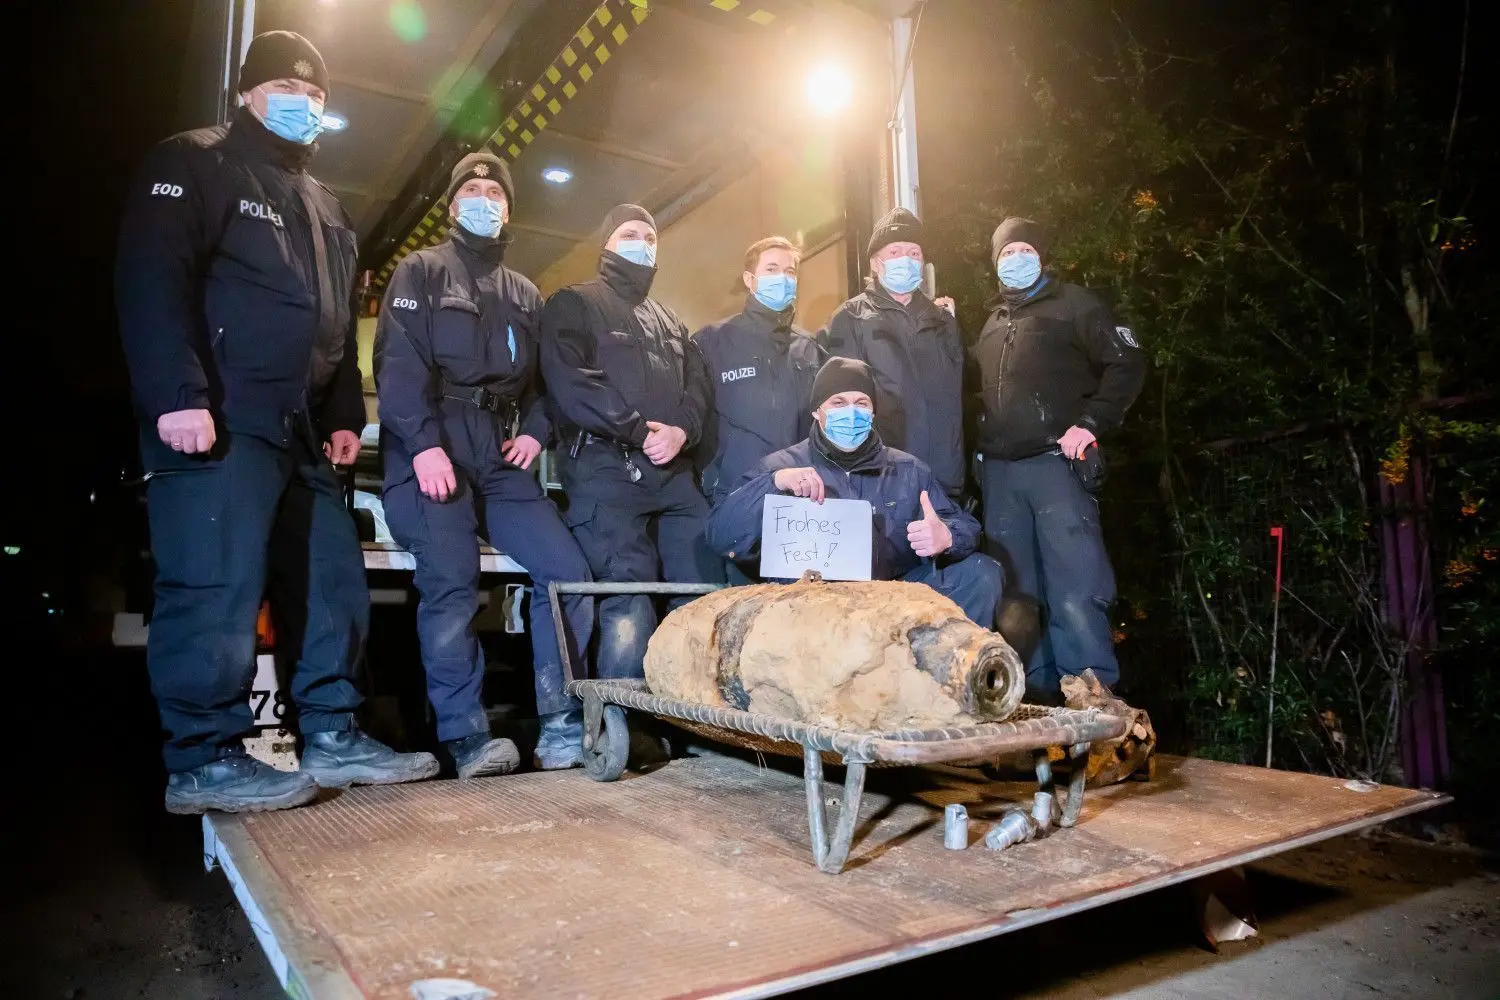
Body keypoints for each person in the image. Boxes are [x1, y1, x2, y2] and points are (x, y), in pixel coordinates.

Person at [116, 30, 438, 814]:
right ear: (247, 92)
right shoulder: (193, 161)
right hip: (219, 419)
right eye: (289, 90)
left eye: (319, 96)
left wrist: (340, 414)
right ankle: (203, 757)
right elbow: (152, 280)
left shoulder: (325, 207)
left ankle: (332, 730)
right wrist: (176, 396)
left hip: (298, 431)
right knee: (214, 586)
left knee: (333, 583)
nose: (306, 105)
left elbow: (333, 323)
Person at [374, 152, 596, 775]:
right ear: (452, 207)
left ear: (507, 210)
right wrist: (421, 444)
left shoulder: (525, 293)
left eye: (494, 193)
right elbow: (397, 365)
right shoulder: (421, 271)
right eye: (471, 190)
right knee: (451, 581)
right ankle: (466, 735)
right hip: (432, 446)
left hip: (499, 458)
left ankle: (559, 720)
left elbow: (552, 382)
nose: (483, 200)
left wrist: (536, 431)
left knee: (567, 572)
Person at [539, 205, 725, 679]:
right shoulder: (573, 304)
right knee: (628, 599)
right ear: (607, 244)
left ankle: (693, 719)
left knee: (700, 594)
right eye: (629, 233)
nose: (641, 242)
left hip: (673, 476)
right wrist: (640, 431)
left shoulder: (670, 321)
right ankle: (622, 724)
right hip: (606, 472)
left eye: (649, 235)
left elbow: (698, 386)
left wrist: (682, 430)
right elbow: (573, 384)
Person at [970, 217, 1146, 701]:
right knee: (1017, 599)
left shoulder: (1077, 306)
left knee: (1075, 586)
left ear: (1042, 256)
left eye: (1024, 249)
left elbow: (1127, 363)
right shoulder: (992, 321)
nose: (1015, 259)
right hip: (1002, 476)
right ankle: (1033, 705)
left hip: (1056, 467)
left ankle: (1092, 704)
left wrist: (1090, 424)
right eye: (1006, 253)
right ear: (995, 263)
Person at [705, 358, 1001, 626]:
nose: (851, 412)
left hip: (890, 597)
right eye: (838, 402)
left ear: (873, 412)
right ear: (816, 411)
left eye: (862, 403)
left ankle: (948, 674)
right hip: (810, 609)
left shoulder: (908, 470)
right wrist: (774, 483)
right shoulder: (781, 467)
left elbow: (964, 526)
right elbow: (721, 535)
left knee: (981, 573)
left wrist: (948, 537)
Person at [691, 236, 825, 578]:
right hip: (737, 502)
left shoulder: (809, 348)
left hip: (797, 506)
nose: (783, 278)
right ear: (750, 279)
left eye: (790, 271)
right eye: (771, 269)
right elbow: (694, 418)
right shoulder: (713, 341)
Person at [818, 208, 967, 500]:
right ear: (876, 262)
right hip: (883, 480)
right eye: (896, 251)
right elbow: (839, 404)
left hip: (946, 482)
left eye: (914, 253)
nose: (906, 260)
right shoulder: (850, 318)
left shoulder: (943, 320)